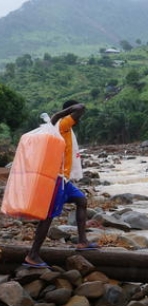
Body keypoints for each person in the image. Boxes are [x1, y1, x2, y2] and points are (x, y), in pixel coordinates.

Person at [23, 100, 99, 268]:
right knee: (48, 217)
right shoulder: (63, 123)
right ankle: (32, 254)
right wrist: (60, 114)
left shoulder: (63, 127)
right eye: (75, 117)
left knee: (82, 201)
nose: (79, 119)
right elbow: (81, 107)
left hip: (64, 180)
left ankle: (82, 241)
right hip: (55, 179)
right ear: (69, 113)